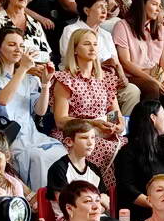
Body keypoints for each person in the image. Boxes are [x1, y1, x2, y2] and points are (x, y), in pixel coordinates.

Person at [0, 27, 64, 188]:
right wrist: (23, 69)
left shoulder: (29, 79)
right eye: (12, 45)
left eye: (21, 46)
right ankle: (41, 200)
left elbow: (40, 111)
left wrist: (45, 84)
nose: (18, 50)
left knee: (60, 152)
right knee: (38, 157)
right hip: (8, 137)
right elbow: (3, 100)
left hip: (32, 135)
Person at [52, 28, 126, 190]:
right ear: (75, 49)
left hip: (103, 131)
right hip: (75, 133)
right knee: (103, 148)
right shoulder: (65, 79)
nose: (92, 48)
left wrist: (115, 125)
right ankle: (98, 194)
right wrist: (93, 124)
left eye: (95, 44)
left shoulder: (105, 78)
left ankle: (118, 198)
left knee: (129, 150)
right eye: (86, 44)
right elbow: (61, 120)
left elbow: (113, 113)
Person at [114, 99, 164, 221]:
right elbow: (127, 189)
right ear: (153, 118)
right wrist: (157, 204)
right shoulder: (127, 152)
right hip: (143, 213)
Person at [60, 0, 138, 116]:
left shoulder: (106, 34)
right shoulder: (71, 31)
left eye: (106, 7)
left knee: (131, 91)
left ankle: (117, 124)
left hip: (106, 81)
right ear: (87, 11)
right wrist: (101, 65)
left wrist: (121, 75)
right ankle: (106, 122)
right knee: (106, 96)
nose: (104, 10)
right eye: (100, 7)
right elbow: (70, 61)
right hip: (80, 81)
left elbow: (115, 61)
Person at [45, 118, 128, 221]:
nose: (90, 143)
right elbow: (67, 205)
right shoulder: (58, 168)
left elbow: (106, 202)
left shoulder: (94, 169)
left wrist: (89, 204)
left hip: (98, 219)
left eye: (93, 138)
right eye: (84, 138)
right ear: (69, 141)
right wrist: (97, 202)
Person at [113, 0, 164, 101]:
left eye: (159, 6)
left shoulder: (160, 29)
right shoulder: (122, 26)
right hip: (134, 77)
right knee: (153, 87)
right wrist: (152, 80)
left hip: (157, 76)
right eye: (154, 4)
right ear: (142, 5)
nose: (158, 9)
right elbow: (125, 62)